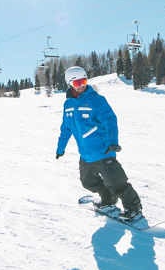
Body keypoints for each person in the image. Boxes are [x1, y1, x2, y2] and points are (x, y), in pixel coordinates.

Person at [56, 66, 143, 220]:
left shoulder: (96, 100)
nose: (81, 85)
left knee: (117, 183)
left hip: (103, 150)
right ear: (69, 84)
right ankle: (108, 198)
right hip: (85, 154)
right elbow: (66, 128)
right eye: (77, 83)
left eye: (83, 81)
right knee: (87, 182)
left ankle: (134, 208)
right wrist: (60, 148)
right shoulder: (68, 105)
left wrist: (112, 142)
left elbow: (110, 120)